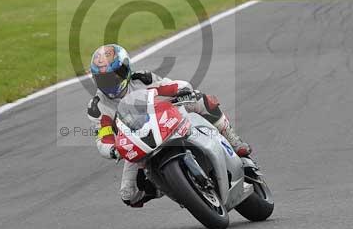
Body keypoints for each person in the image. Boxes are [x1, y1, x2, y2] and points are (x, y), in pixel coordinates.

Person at [86, 44, 252, 207]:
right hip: (138, 143)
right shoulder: (98, 106)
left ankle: (232, 139)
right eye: (103, 79)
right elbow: (103, 137)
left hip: (166, 119)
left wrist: (181, 90)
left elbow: (171, 86)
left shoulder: (143, 79)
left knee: (200, 99)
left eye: (115, 76)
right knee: (129, 195)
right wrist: (113, 150)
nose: (110, 82)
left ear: (126, 70)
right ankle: (169, 185)